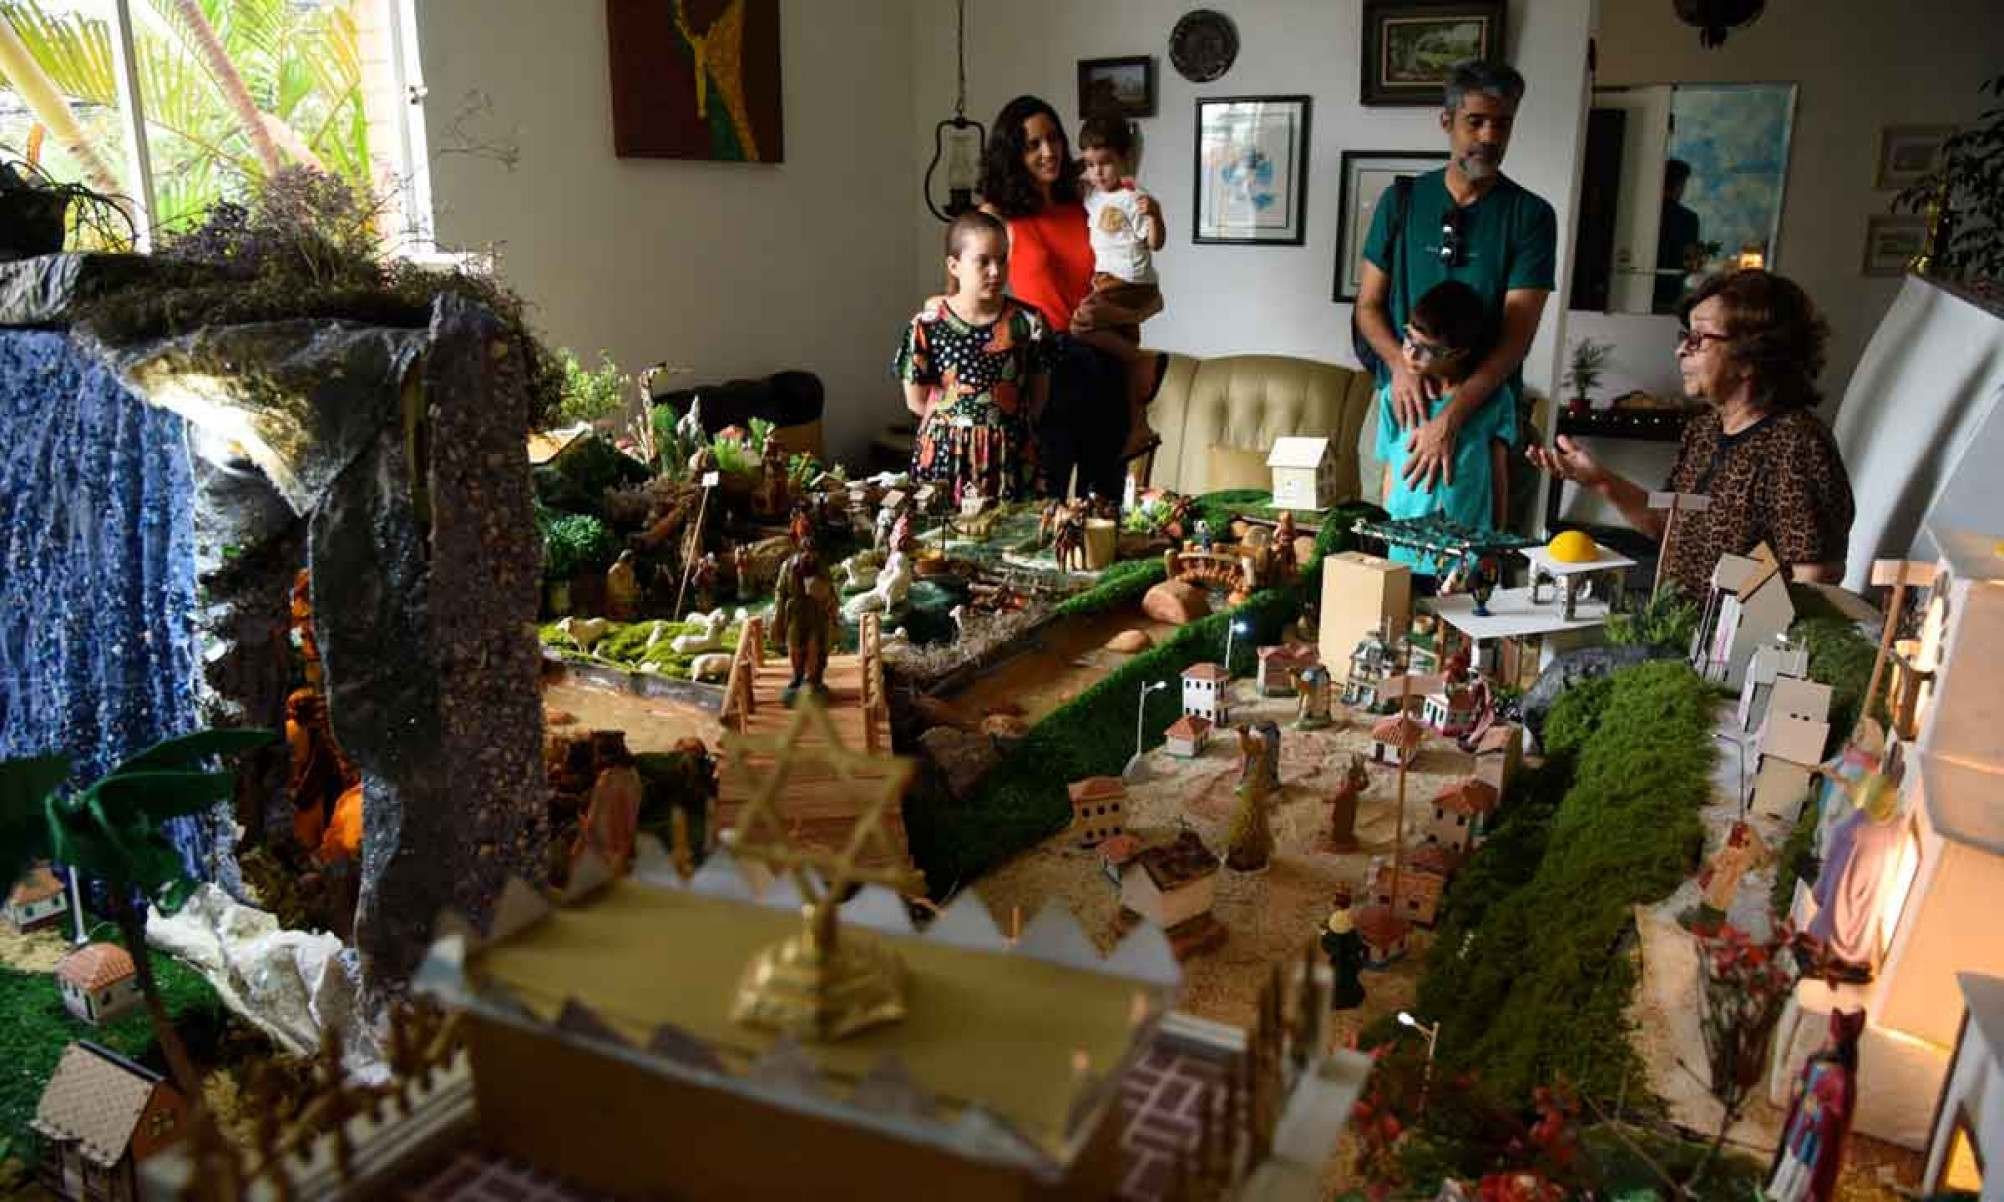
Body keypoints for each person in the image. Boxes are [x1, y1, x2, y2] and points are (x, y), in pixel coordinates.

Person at [1525, 269, 1855, 598]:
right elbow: (1667, 522)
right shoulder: (1704, 429)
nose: (1681, 350)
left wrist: (1745, 629)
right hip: (1673, 620)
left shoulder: (1797, 444)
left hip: (1734, 631)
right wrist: (1600, 479)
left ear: (1752, 356)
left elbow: (1815, 575)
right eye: (1685, 337)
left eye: (1698, 339)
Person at [1355, 59, 1557, 506]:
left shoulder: (1531, 216)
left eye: (1502, 124)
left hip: (1486, 416)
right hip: (1399, 407)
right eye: (1475, 121)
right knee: (1379, 540)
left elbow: (1516, 338)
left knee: (1485, 545)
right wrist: (1401, 367)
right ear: (1446, 121)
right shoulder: (1401, 201)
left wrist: (1453, 417)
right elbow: (1367, 306)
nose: (1489, 136)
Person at [980, 95, 1164, 500]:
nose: (1049, 151)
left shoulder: (1084, 200)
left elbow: (1127, 252)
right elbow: (968, 288)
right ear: (1012, 154)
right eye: (1033, 144)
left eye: (1054, 139)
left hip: (1105, 359)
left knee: (1105, 506)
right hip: (1048, 369)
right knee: (1047, 505)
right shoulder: (998, 215)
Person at [893, 210, 1048, 506]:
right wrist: (959, 429)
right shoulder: (927, 325)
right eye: (983, 261)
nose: (996, 271)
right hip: (944, 456)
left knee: (1011, 530)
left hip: (1010, 455)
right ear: (954, 266)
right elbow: (916, 402)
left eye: (1002, 259)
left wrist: (1000, 431)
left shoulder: (1029, 323)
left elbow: (1039, 398)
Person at [1374, 279, 1511, 572]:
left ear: (1458, 353)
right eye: (1408, 338)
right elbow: (1389, 471)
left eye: (1426, 349)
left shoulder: (1494, 399)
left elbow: (1499, 476)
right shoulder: (1393, 395)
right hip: (1401, 553)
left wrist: (1494, 546)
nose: (1410, 353)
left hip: (1465, 557)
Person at [1071, 113, 1167, 458]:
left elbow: (1155, 243)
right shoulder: (1092, 195)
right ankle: (1139, 429)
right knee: (1122, 366)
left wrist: (1155, 215)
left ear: (1124, 158)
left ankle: (1144, 361)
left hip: (1128, 282)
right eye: (1090, 164)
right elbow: (1075, 178)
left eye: (1106, 163)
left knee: (1080, 324)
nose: (1097, 172)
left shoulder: (1133, 197)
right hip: (1106, 282)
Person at [1655, 158, 1703, 314]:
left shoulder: (1644, 214)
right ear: (1680, 185)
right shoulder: (1688, 218)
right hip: (1670, 293)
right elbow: (1691, 261)